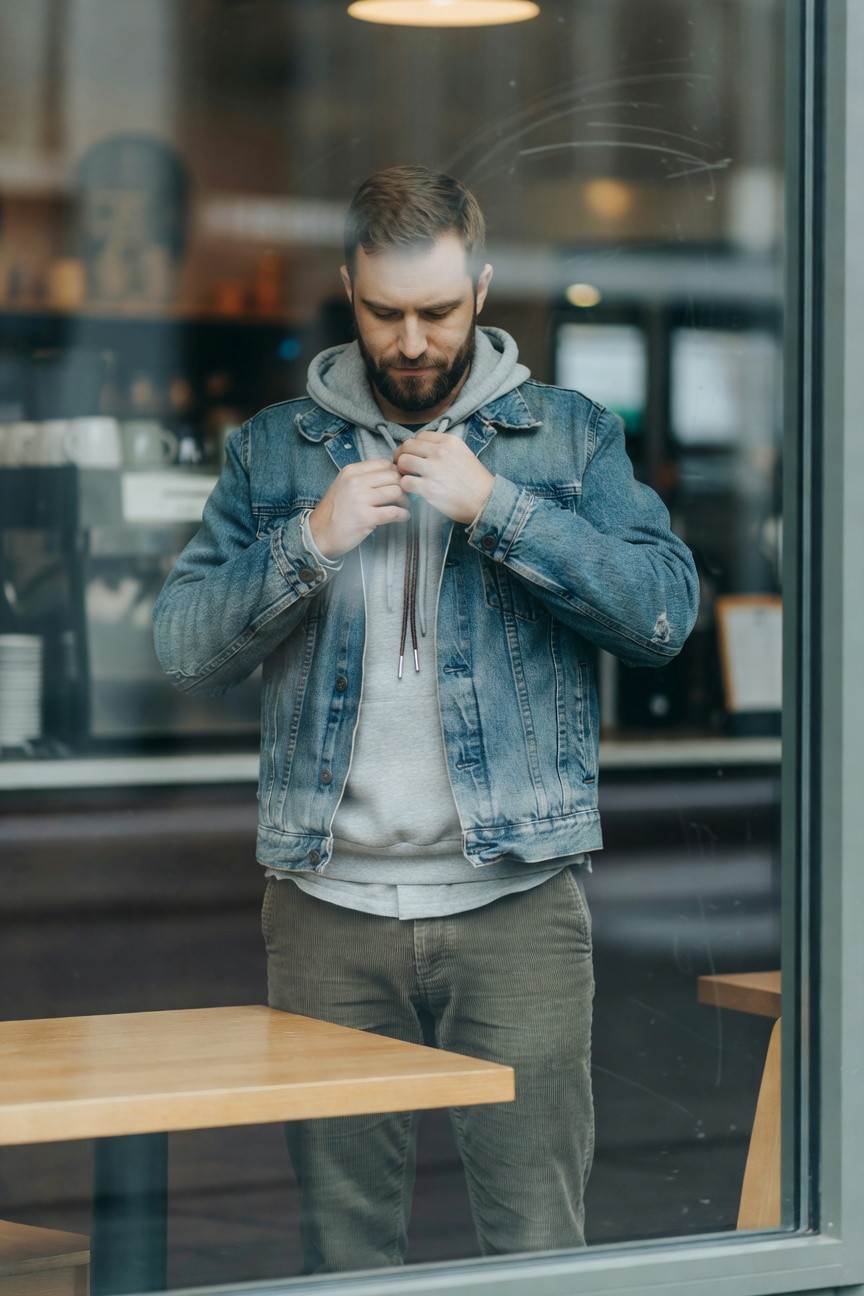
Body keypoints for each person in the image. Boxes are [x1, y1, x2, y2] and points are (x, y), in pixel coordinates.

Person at [152, 164, 699, 1273]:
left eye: (438, 313)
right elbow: (180, 648)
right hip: (325, 911)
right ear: (348, 287)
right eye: (385, 311)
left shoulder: (570, 437)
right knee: (345, 1255)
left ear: (483, 290)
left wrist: (500, 509)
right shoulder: (274, 450)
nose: (412, 341)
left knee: (537, 1247)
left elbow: (662, 616)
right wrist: (308, 540)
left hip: (518, 905)